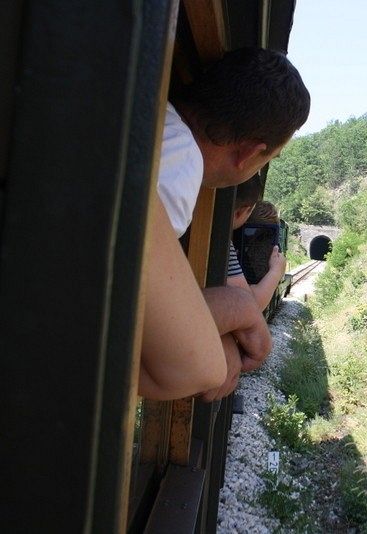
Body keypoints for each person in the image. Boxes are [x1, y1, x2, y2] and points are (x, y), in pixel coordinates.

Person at [139, 47, 310, 401]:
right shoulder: (178, 163)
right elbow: (119, 317)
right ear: (250, 153)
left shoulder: (154, 120)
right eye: (269, 158)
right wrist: (236, 308)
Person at [227, 179, 288, 312]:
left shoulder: (226, 243)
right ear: (241, 212)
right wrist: (276, 271)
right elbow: (250, 305)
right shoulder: (225, 248)